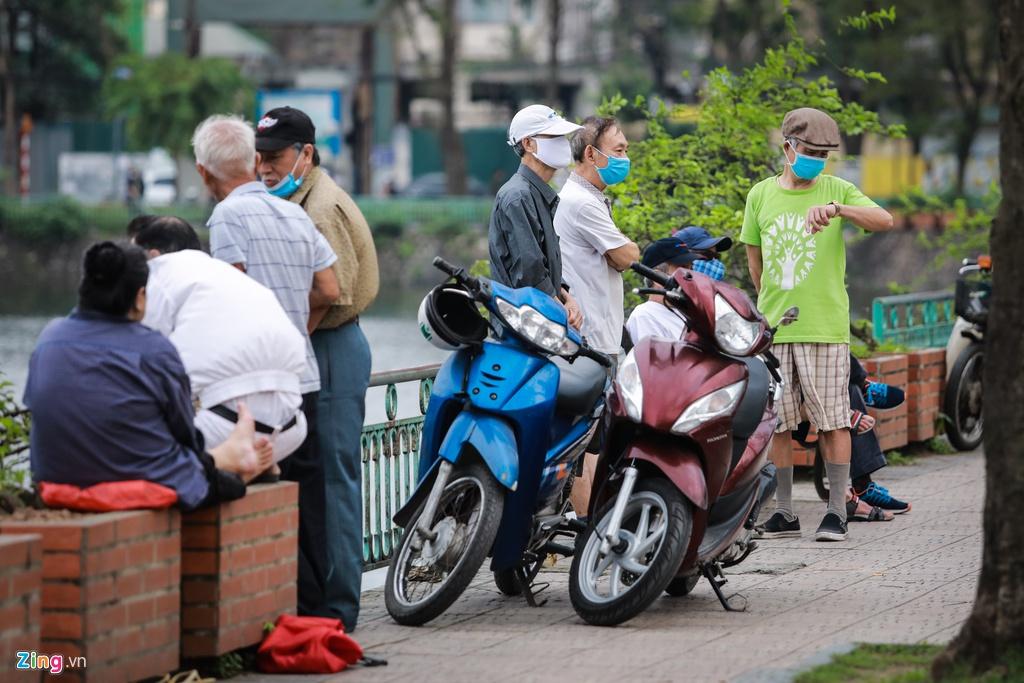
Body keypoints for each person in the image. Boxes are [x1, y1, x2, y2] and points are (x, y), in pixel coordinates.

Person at [192, 114, 341, 616]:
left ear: (202, 173)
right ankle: (318, 619)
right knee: (310, 505)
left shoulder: (227, 218)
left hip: (254, 392)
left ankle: (265, 620)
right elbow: (329, 289)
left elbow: (229, 295)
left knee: (256, 499)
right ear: (255, 161)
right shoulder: (294, 213)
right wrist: (295, 331)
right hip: (304, 381)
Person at [24, 241, 273, 510]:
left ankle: (228, 455)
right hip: (137, 479)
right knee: (226, 484)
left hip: (56, 477)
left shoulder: (49, 338)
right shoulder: (153, 349)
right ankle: (230, 455)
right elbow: (185, 433)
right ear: (140, 297)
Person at [740, 108, 894, 542]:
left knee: (834, 421)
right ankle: (785, 512)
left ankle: (836, 512)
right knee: (780, 423)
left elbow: (885, 220)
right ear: (787, 148)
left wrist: (840, 209)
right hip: (776, 329)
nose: (816, 161)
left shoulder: (836, 189)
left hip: (825, 327)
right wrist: (770, 306)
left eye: (824, 154)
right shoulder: (760, 196)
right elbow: (756, 261)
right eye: (808, 152)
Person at [255, 106, 380, 631]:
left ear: (305, 154)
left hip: (328, 344)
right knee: (322, 479)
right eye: (259, 158)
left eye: (276, 157)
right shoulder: (301, 197)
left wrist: (285, 343)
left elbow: (331, 295)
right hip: (320, 342)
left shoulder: (320, 207)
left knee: (333, 482)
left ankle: (337, 610)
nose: (264, 169)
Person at [131, 216, 308, 465]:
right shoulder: (227, 274)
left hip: (225, 428)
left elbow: (141, 356)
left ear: (153, 255)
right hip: (292, 429)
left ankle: (228, 462)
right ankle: (253, 467)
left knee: (128, 446)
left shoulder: (157, 275)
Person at [488, 104, 583, 328]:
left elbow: (544, 264)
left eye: (563, 136)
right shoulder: (518, 197)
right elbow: (529, 271)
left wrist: (566, 298)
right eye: (554, 136)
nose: (563, 143)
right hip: (524, 329)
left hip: (539, 323)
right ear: (528, 143)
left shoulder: (536, 193)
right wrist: (561, 312)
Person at [555, 115, 640, 356]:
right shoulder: (582, 203)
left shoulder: (587, 198)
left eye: (626, 151)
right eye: (618, 151)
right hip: (592, 339)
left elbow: (620, 257)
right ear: (591, 155)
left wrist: (617, 251)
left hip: (597, 335)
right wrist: (620, 250)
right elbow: (628, 257)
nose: (625, 159)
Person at [625, 236, 698, 344]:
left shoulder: (688, 312)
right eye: (682, 268)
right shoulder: (645, 316)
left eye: (690, 268)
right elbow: (655, 360)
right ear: (657, 277)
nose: (690, 274)